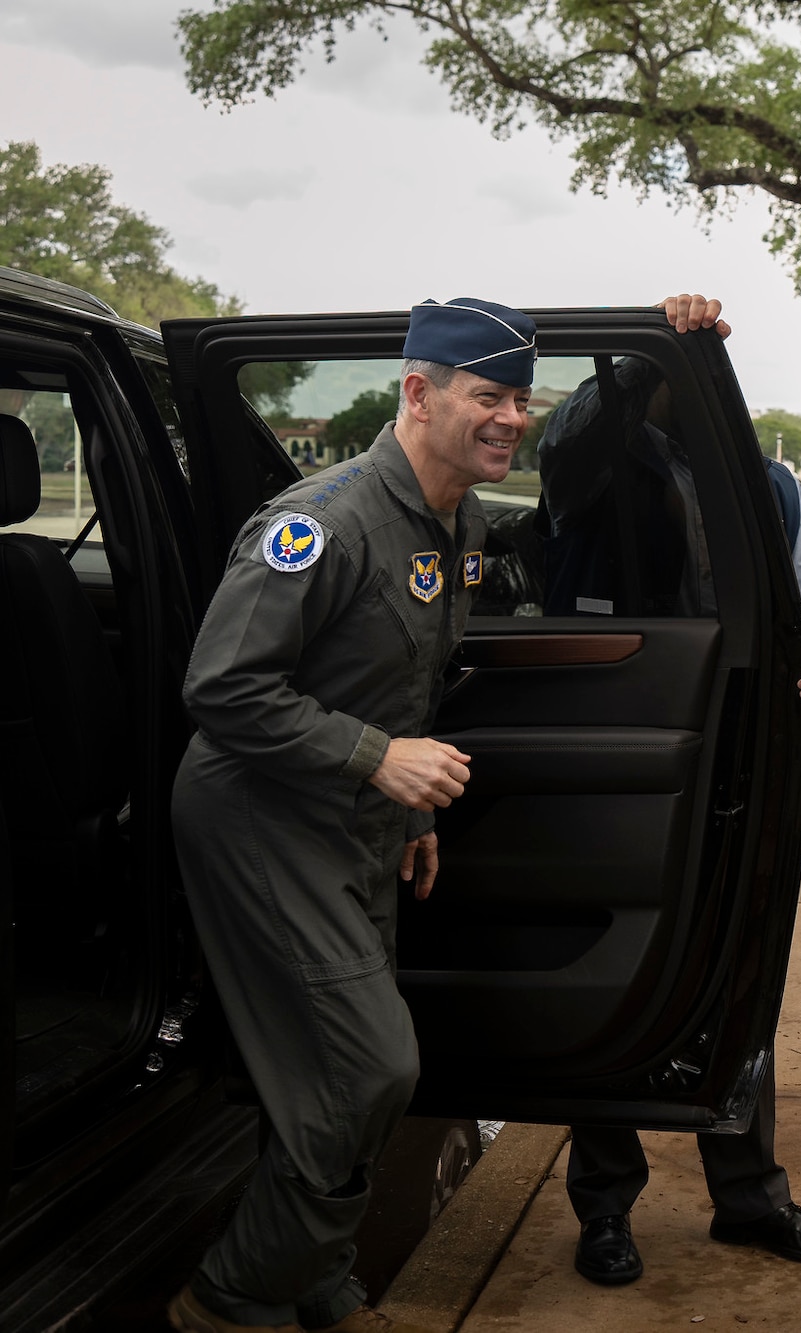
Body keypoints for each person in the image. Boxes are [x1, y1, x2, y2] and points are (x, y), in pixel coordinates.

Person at [168, 297, 538, 1333]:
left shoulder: (457, 517)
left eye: (521, 399)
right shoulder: (318, 523)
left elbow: (402, 683)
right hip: (261, 820)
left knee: (321, 1077)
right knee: (369, 1067)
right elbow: (222, 689)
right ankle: (232, 1297)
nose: (512, 416)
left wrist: (407, 807)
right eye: (487, 396)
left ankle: (318, 1282)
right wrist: (378, 759)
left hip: (353, 826)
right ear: (418, 394)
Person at [548, 295, 801, 1287]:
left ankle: (749, 1198)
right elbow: (575, 443)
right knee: (607, 962)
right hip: (616, 747)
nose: (694, 391)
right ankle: (604, 1211)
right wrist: (646, 348)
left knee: (736, 967)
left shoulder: (766, 484)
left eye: (706, 371)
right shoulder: (600, 467)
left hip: (738, 757)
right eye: (677, 375)